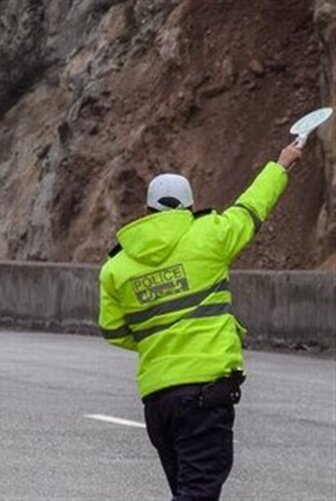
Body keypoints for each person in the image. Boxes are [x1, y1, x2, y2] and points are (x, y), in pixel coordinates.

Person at [97, 141, 303, 500]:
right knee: (199, 492)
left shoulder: (116, 267)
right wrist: (281, 164)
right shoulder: (210, 235)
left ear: (146, 210)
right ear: (191, 206)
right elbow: (252, 207)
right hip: (205, 396)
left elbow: (113, 330)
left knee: (187, 489)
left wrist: (157, 337)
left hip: (158, 402)